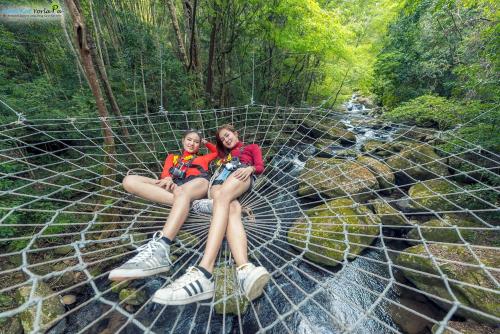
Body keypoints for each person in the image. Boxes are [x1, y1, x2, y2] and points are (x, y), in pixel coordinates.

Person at [152, 124, 270, 305]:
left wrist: (250, 169)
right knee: (232, 208)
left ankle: (205, 271)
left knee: (223, 198)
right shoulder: (223, 156)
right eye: (223, 138)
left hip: (240, 174)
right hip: (217, 180)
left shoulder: (251, 147)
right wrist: (207, 143)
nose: (226, 139)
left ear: (235, 133)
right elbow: (216, 151)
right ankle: (245, 270)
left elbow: (260, 166)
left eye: (228, 135)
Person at [109, 129, 217, 281]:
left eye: (196, 141)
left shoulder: (204, 158)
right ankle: (192, 205)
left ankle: (162, 246)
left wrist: (206, 142)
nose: (192, 143)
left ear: (199, 145)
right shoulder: (172, 157)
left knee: (182, 193)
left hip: (198, 184)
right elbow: (165, 174)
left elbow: (218, 151)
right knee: (129, 181)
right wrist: (166, 179)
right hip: (174, 189)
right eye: (189, 139)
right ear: (183, 140)